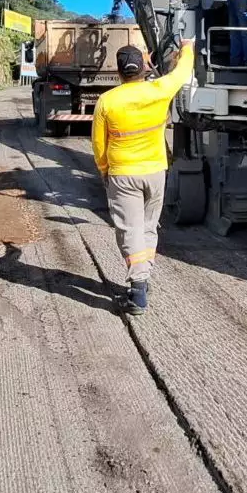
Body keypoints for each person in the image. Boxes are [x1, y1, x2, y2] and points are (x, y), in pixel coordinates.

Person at [92, 39, 195, 315]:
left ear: (119, 72)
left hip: (123, 174)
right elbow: (183, 71)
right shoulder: (160, 90)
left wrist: (104, 170)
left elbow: (99, 145)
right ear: (143, 69)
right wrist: (187, 47)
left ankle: (138, 291)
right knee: (149, 227)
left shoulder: (107, 101)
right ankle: (144, 277)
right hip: (155, 172)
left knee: (130, 230)